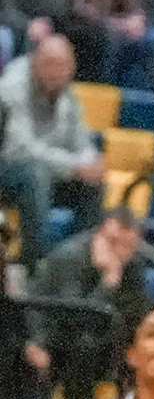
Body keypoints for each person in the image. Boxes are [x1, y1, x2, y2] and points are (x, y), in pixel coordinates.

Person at [24, 208, 150, 399]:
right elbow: (74, 317)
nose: (120, 251)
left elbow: (136, 312)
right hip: (53, 339)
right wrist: (109, 282)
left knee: (139, 353)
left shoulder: (133, 264)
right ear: (99, 235)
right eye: (113, 242)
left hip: (101, 341)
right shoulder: (69, 257)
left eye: (128, 245)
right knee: (83, 350)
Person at [1, 34, 106, 257]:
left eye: (62, 66)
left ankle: (80, 261)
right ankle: (36, 263)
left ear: (71, 68)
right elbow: (20, 148)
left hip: (48, 169)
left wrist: (91, 162)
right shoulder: (12, 87)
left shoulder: (66, 92)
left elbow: (81, 140)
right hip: (9, 170)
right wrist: (75, 165)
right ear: (33, 61)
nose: (55, 72)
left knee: (93, 183)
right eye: (49, 64)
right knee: (34, 174)